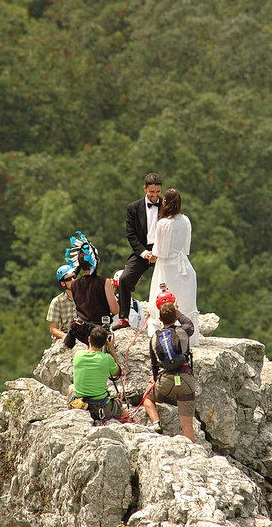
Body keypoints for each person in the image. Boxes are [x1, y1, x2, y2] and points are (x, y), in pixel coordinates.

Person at [146, 188, 200, 346]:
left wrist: (149, 256)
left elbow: (160, 252)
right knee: (186, 303)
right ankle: (188, 339)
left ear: (165, 202)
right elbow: (186, 248)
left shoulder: (163, 223)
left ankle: (164, 338)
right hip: (185, 268)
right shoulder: (185, 220)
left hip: (168, 269)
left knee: (164, 299)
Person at [112, 173, 163, 331]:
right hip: (142, 251)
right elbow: (131, 235)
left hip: (162, 251)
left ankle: (170, 317)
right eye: (151, 192)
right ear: (145, 189)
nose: (155, 196)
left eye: (158, 192)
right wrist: (145, 254)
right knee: (125, 279)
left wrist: (158, 252)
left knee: (168, 281)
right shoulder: (133, 208)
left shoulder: (167, 206)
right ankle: (124, 318)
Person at [143, 300, 196, 442]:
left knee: (147, 398)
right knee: (187, 428)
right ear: (175, 317)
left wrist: (154, 380)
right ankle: (193, 455)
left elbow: (154, 365)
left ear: (160, 319)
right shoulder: (184, 331)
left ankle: (156, 424)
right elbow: (189, 322)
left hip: (166, 383)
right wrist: (176, 310)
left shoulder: (154, 338)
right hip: (186, 381)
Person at [63, 232, 119, 348]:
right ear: (95, 261)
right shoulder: (105, 282)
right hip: (99, 333)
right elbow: (115, 310)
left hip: (81, 332)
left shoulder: (74, 284)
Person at [68, 326, 123, 421]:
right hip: (101, 406)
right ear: (105, 342)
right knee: (120, 408)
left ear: (89, 339)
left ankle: (70, 410)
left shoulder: (78, 355)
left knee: (70, 387)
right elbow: (117, 373)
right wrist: (112, 350)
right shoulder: (106, 358)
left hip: (80, 404)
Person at [47, 264, 76, 344]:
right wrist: (68, 338)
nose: (73, 280)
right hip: (66, 336)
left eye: (74, 277)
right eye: (69, 279)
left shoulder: (85, 297)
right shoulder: (57, 302)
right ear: (63, 283)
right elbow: (53, 329)